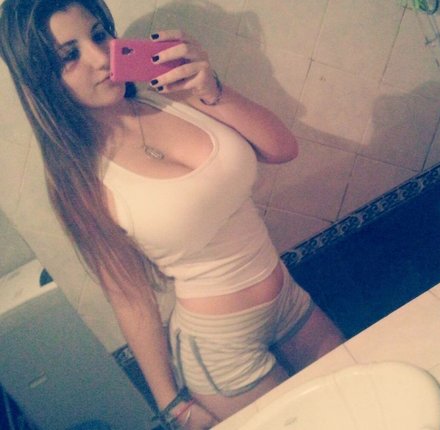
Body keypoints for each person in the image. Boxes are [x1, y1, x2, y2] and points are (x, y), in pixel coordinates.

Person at [0, 0, 344, 428]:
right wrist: (171, 405)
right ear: (41, 81)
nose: (100, 57)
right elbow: (129, 296)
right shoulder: (81, 182)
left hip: (289, 300)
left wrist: (211, 88)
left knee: (359, 402)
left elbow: (282, 149)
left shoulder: (171, 93)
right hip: (220, 352)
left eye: (99, 35)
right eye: (69, 56)